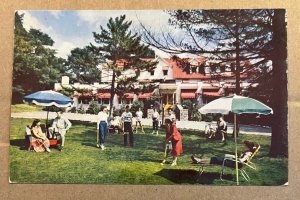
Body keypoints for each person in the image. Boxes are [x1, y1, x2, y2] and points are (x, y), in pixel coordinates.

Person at [191, 140, 256, 168]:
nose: (243, 147)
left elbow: (241, 160)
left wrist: (236, 157)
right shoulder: (247, 152)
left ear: (248, 147)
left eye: (244, 146)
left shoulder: (248, 153)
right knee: (215, 159)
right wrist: (235, 156)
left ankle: (199, 161)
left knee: (216, 160)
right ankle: (199, 160)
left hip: (235, 164)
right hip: (234, 162)